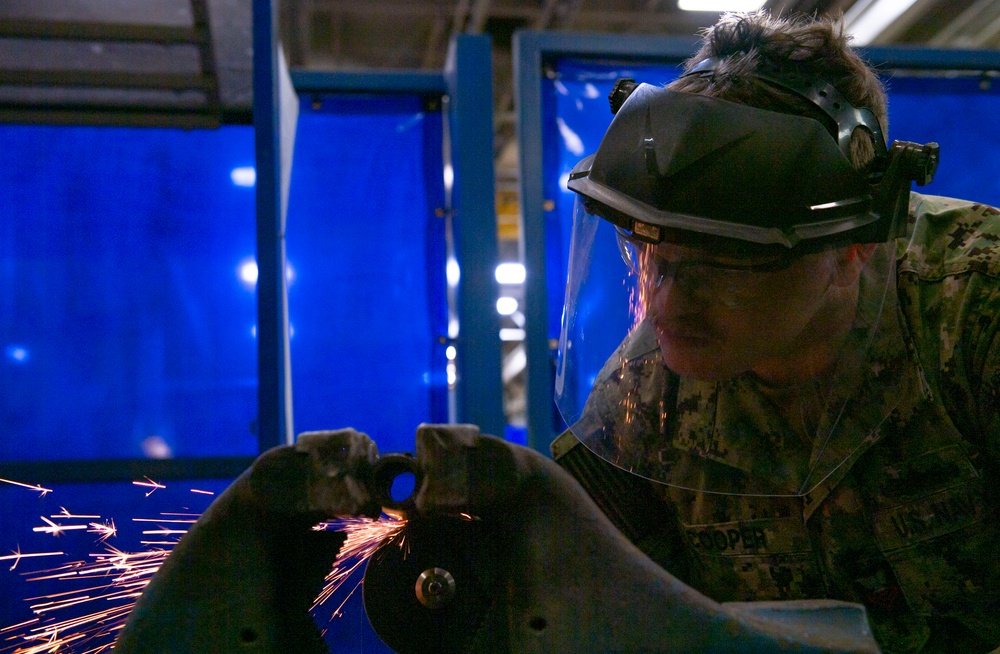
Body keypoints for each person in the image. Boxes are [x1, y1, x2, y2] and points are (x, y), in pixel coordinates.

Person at [553, 10, 999, 654]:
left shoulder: (975, 305)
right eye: (649, 258)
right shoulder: (646, 388)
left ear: (852, 250)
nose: (664, 307)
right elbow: (585, 591)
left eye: (717, 265)